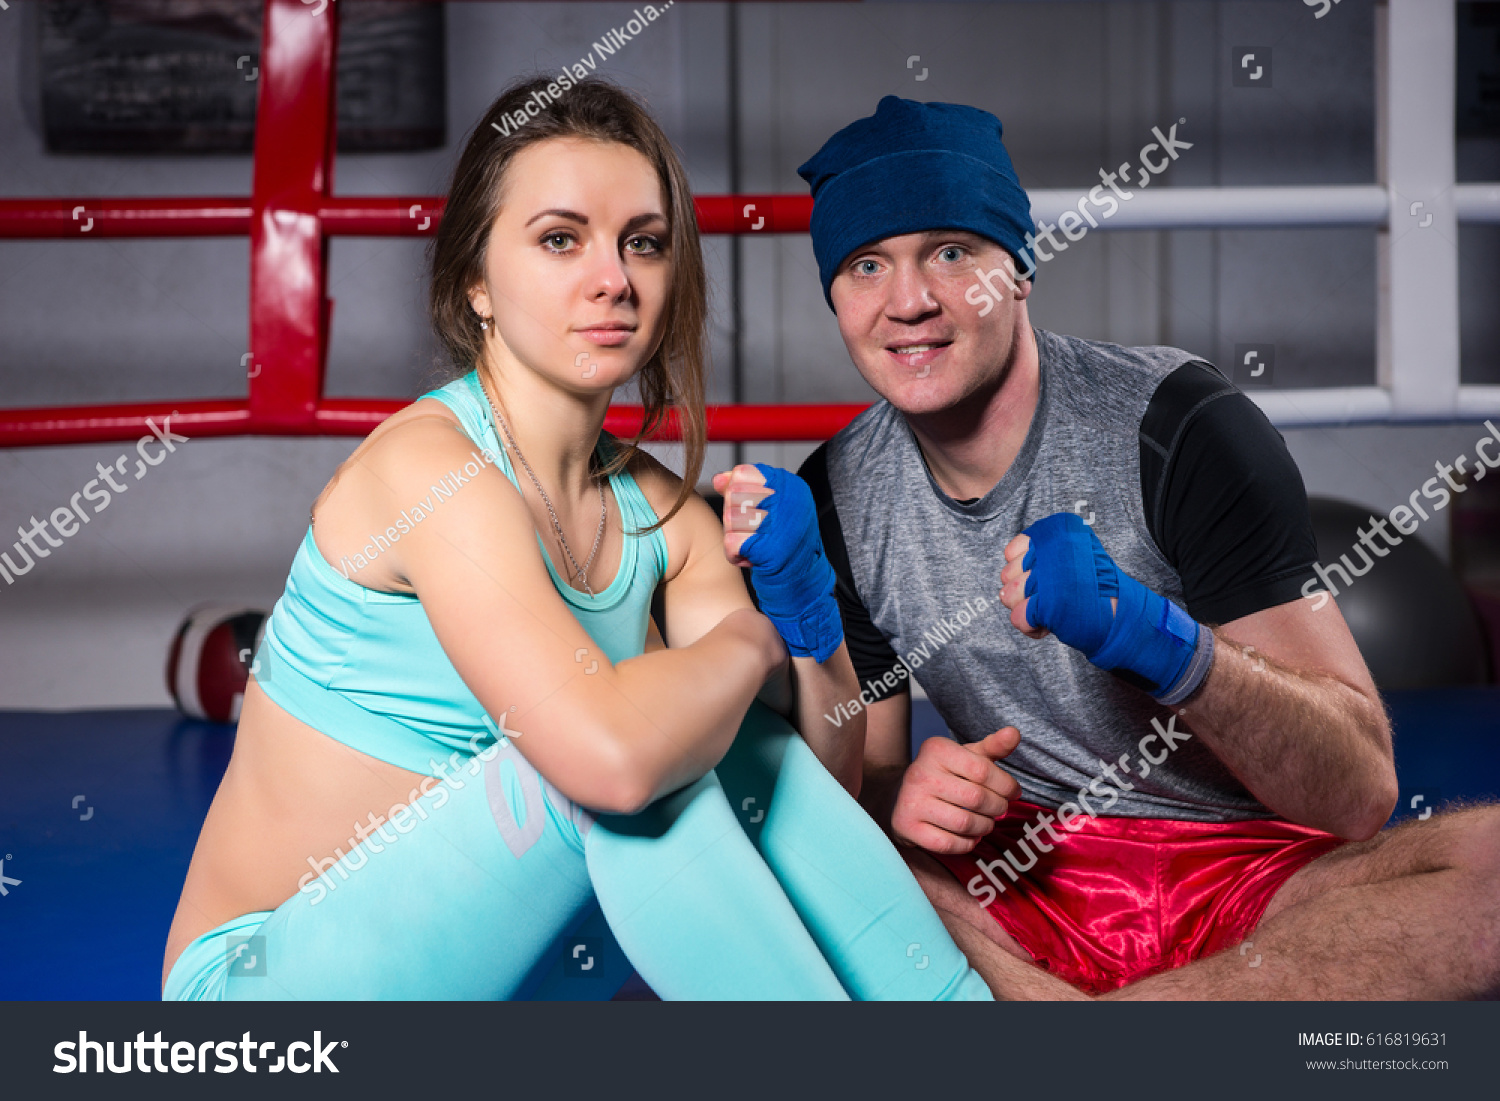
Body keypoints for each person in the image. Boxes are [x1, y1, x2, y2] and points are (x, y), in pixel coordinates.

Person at [161, 78, 992, 1002]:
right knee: (611, 765)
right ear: (476, 279)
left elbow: (812, 786)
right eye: (561, 239)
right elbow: (611, 763)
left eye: (642, 242)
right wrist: (754, 641)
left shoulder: (666, 516)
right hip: (265, 999)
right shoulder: (429, 473)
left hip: (497, 978)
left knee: (724, 740)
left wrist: (803, 613)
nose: (614, 279)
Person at [795, 95, 1500, 999]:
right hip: (1022, 881)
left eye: (951, 252)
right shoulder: (839, 494)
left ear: (1018, 268)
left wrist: (1158, 639)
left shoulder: (1178, 425)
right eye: (865, 265)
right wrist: (900, 791)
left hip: (1253, 880)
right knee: (800, 866)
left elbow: (1359, 792)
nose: (910, 302)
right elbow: (864, 780)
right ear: (837, 298)